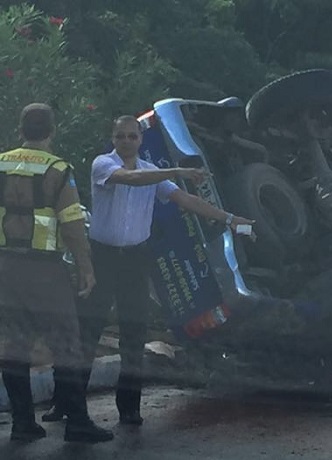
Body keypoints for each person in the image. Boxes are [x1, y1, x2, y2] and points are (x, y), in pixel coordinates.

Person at [44, 115, 254, 426]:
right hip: (102, 256)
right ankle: (66, 403)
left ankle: (129, 409)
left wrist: (231, 219)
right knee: (87, 331)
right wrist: (178, 171)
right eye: (121, 136)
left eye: (132, 136)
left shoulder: (152, 172)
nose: (126, 141)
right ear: (113, 138)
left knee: (134, 334)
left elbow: (186, 200)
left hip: (134, 259)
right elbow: (129, 180)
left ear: (140, 140)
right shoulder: (103, 164)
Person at [0, 103, 113, 443]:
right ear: (52, 130)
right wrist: (86, 267)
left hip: (4, 266)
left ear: (21, 129)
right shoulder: (58, 169)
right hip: (43, 269)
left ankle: (23, 423)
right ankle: (77, 422)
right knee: (66, 341)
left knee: (13, 343)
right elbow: (73, 224)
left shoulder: (1, 163)